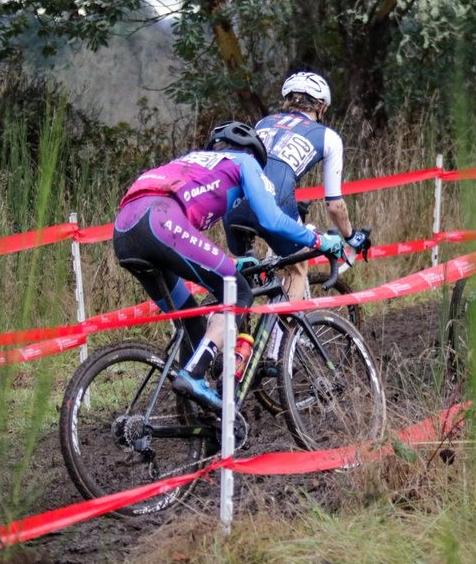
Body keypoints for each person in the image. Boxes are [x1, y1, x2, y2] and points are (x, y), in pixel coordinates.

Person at [112, 121, 345, 411]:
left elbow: (186, 230)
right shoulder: (245, 162)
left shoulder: (191, 162)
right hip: (160, 222)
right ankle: (194, 376)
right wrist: (317, 240)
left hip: (124, 232)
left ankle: (198, 420)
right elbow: (271, 219)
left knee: (191, 321)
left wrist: (232, 262)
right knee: (240, 294)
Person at [225, 71, 366, 298]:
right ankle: (281, 333)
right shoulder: (328, 137)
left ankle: (236, 327)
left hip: (234, 203)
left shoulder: (264, 123)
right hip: (275, 202)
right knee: (297, 269)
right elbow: (334, 205)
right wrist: (350, 236)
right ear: (321, 108)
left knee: (244, 276)